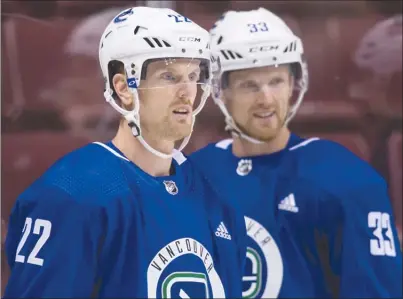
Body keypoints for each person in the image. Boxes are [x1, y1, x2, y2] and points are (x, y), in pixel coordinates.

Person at [3, 6, 246, 298]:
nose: (187, 91)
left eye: (193, 75)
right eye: (169, 76)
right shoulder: (69, 196)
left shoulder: (218, 199)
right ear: (123, 87)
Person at [189, 7, 402, 298]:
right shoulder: (195, 175)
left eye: (276, 82)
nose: (266, 99)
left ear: (293, 84)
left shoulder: (345, 179)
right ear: (221, 91)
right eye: (249, 85)